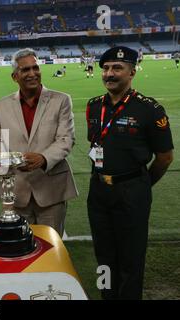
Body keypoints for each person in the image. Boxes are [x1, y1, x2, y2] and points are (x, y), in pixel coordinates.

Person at [86, 46, 174, 300]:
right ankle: (107, 296)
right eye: (106, 68)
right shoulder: (93, 107)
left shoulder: (149, 110)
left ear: (132, 72)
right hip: (99, 190)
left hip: (132, 191)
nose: (109, 74)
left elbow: (165, 157)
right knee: (104, 254)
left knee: (131, 256)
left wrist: (142, 183)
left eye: (117, 68)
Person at [0, 48, 78, 236]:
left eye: (35, 68)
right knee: (19, 248)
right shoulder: (2, 105)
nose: (32, 74)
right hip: (16, 190)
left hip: (51, 189)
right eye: (25, 70)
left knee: (50, 248)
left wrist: (43, 158)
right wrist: (7, 159)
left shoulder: (61, 100)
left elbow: (66, 138)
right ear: (15, 76)